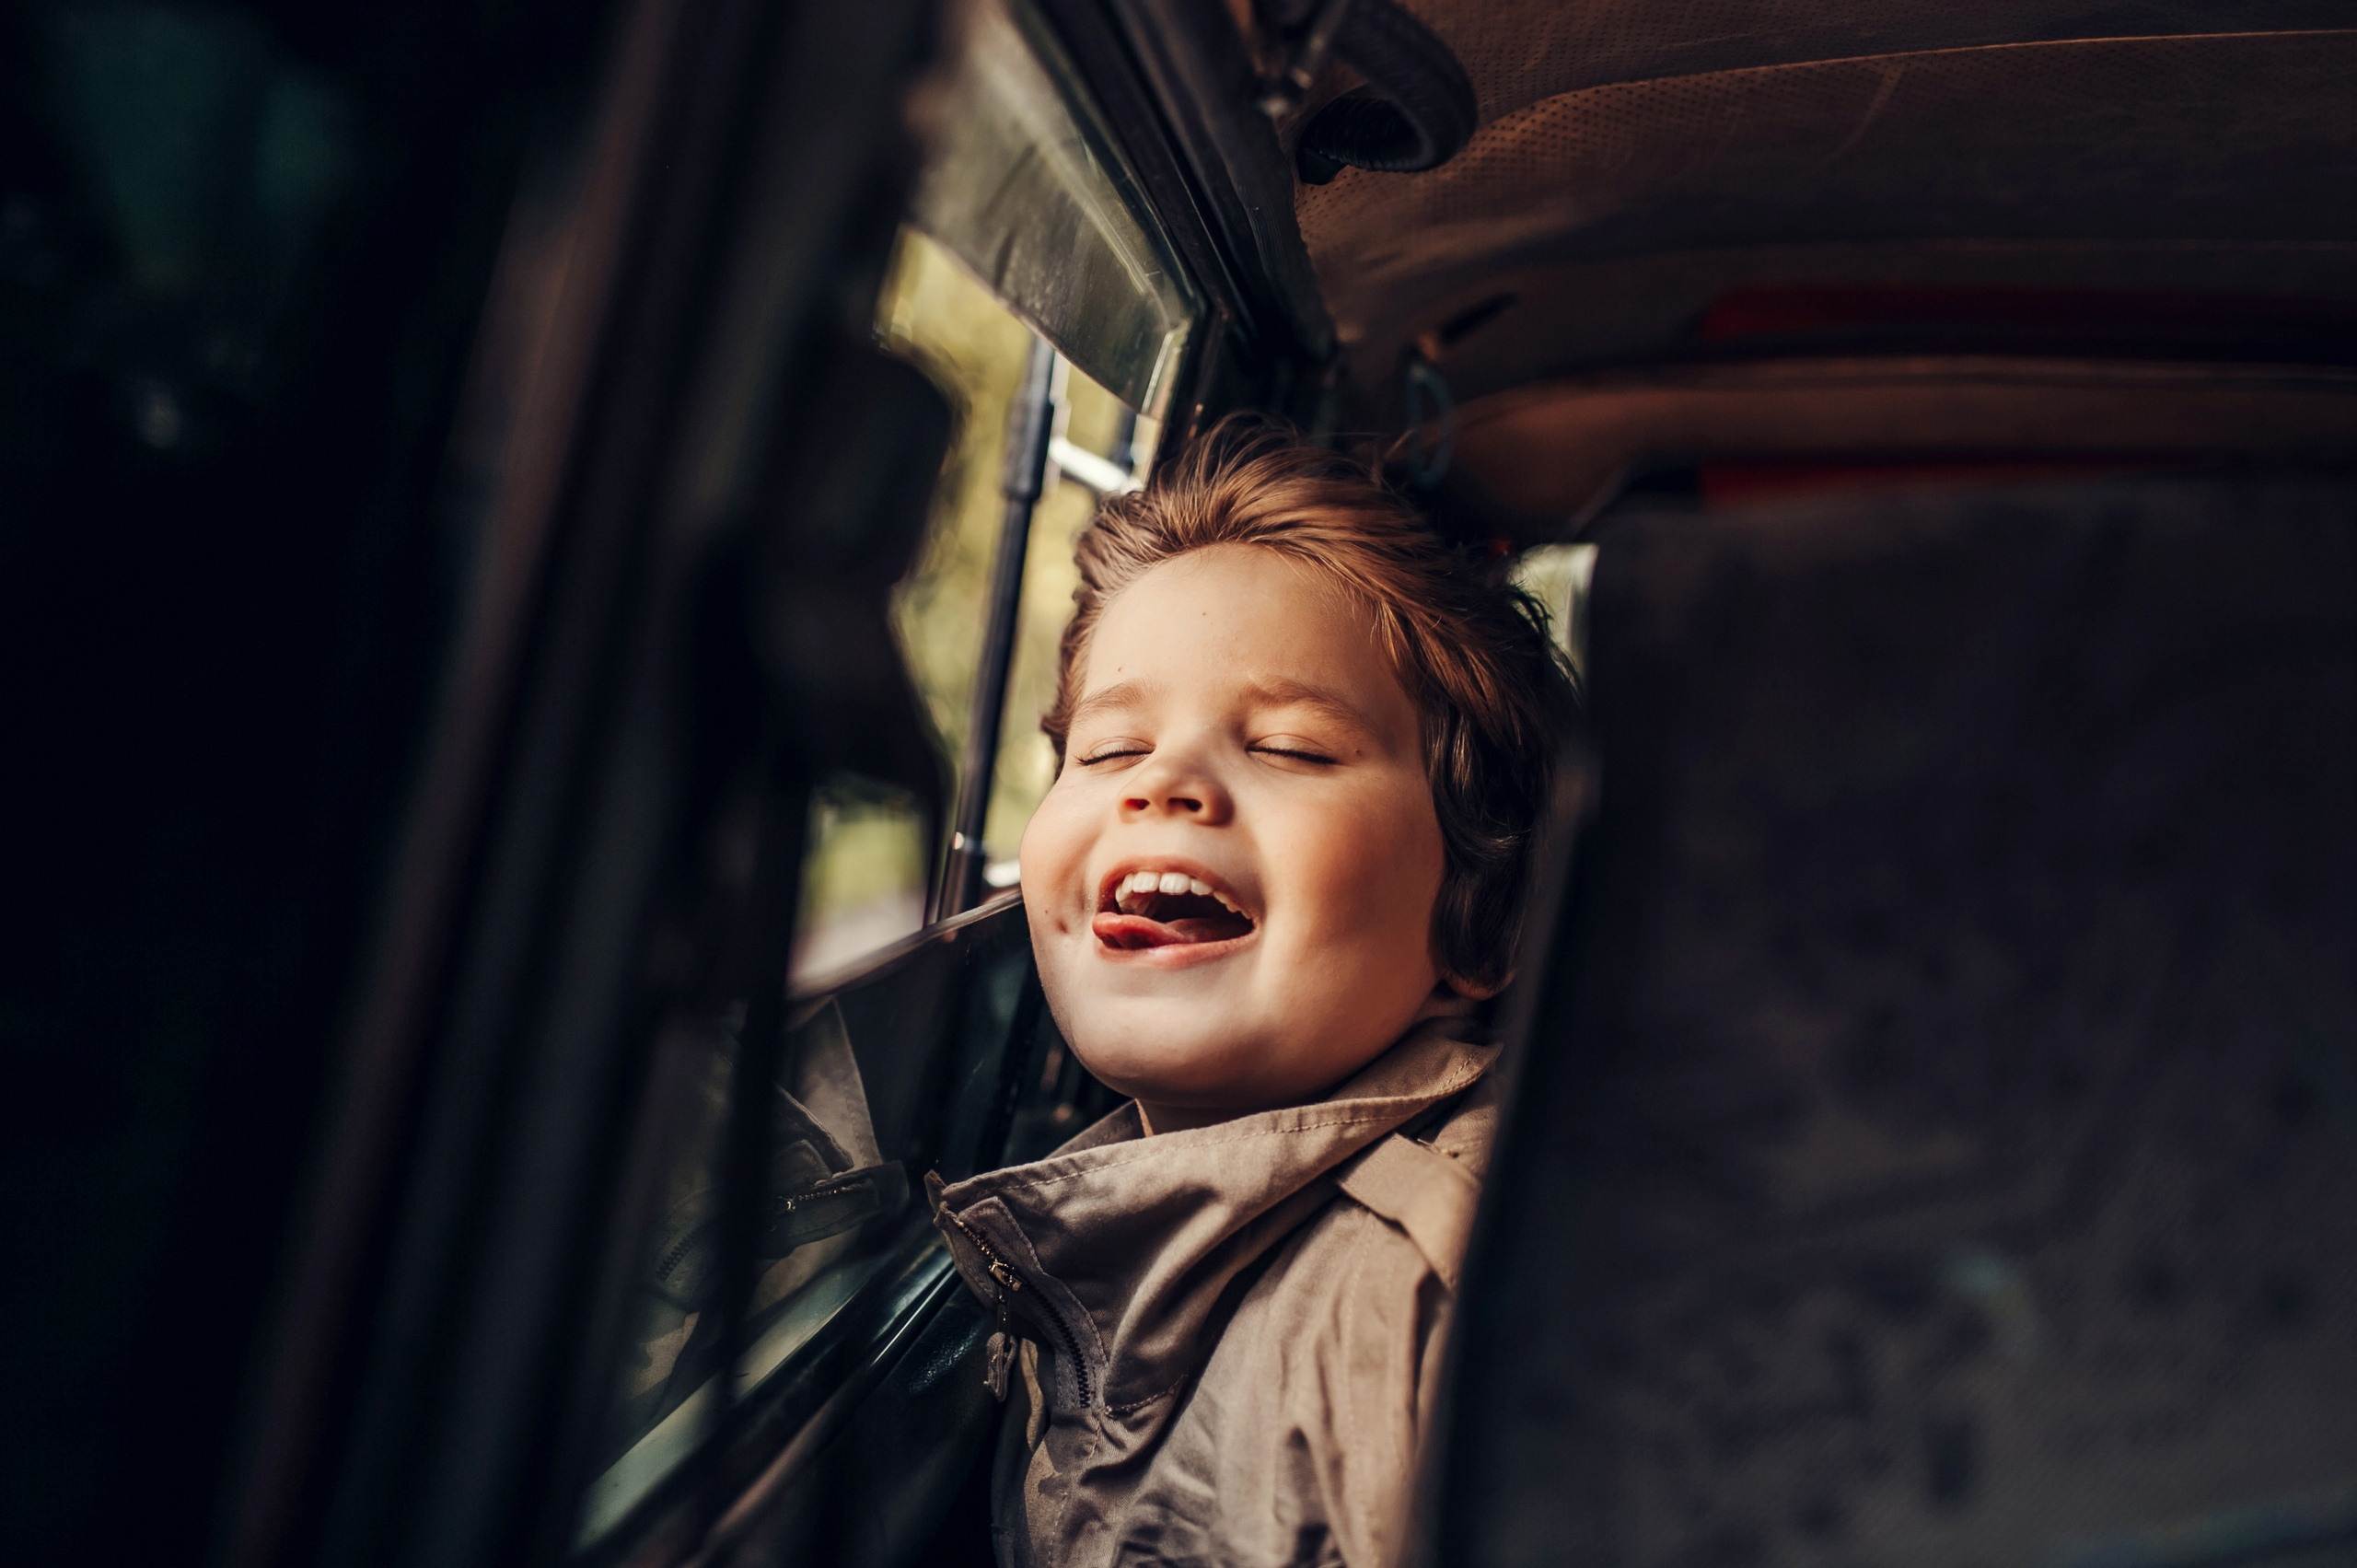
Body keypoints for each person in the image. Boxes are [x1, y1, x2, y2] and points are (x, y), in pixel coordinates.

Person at [929, 416, 1575, 1567]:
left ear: (1482, 910)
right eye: (1108, 749)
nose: (1165, 781)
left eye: (1289, 747)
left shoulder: (1434, 1296)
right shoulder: (1094, 1240)